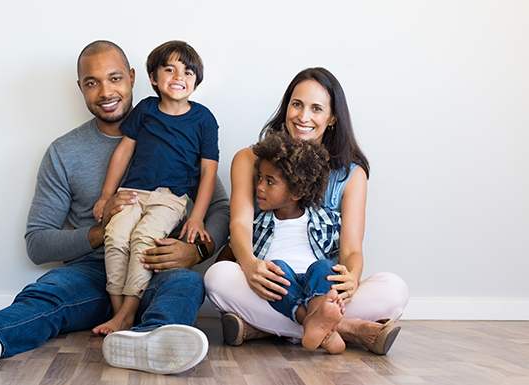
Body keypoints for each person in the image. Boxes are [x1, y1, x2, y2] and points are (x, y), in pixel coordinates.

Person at [0, 40, 231, 375]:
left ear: (134, 78)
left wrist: (195, 250)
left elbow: (218, 207)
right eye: (92, 83)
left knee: (186, 285)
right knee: (49, 291)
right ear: (80, 88)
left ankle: (146, 343)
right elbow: (38, 243)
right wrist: (101, 230)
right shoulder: (64, 152)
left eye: (115, 78)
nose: (106, 92)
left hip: (159, 266)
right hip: (93, 273)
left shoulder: (180, 134)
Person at [204, 67, 408, 355]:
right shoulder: (250, 159)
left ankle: (264, 328)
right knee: (218, 277)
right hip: (270, 281)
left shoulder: (351, 174)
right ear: (286, 105)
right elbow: (239, 224)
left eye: (316, 108)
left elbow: (351, 249)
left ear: (333, 117)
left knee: (394, 289)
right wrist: (250, 265)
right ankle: (350, 329)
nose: (303, 117)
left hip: (322, 288)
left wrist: (351, 278)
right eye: (297, 104)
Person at [91, 41, 219, 335]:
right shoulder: (146, 109)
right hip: (132, 193)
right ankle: (118, 312)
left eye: (187, 72)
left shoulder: (204, 120)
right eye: (170, 69)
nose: (179, 77)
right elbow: (123, 152)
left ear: (196, 82)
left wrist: (197, 216)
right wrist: (107, 195)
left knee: (144, 238)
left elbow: (209, 173)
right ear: (153, 77)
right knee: (116, 235)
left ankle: (128, 313)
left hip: (170, 199)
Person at [244, 132, 347, 354]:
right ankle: (314, 324)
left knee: (326, 267)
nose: (260, 187)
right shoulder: (255, 223)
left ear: (298, 191)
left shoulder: (326, 220)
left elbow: (343, 258)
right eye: (259, 178)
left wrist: (349, 276)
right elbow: (233, 254)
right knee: (276, 269)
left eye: (270, 182)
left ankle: (318, 316)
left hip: (314, 285)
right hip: (280, 284)